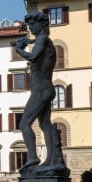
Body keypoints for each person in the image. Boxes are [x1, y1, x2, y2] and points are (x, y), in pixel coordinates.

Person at [13, 11, 62, 170]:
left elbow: (33, 57)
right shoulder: (44, 41)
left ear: (42, 25)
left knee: (24, 123)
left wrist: (19, 50)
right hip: (45, 88)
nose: (31, 27)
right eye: (29, 25)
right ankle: (51, 159)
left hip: (41, 88)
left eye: (33, 24)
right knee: (45, 124)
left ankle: (33, 157)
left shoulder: (42, 40)